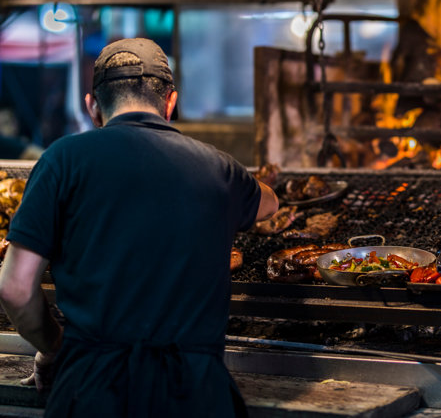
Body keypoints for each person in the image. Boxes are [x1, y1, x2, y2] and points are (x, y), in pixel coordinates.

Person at [0, 38, 279, 417]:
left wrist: (53, 346)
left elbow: (14, 289)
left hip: (91, 388)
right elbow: (270, 203)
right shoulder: (219, 168)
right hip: (195, 392)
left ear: (93, 107)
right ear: (171, 103)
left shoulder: (61, 161)